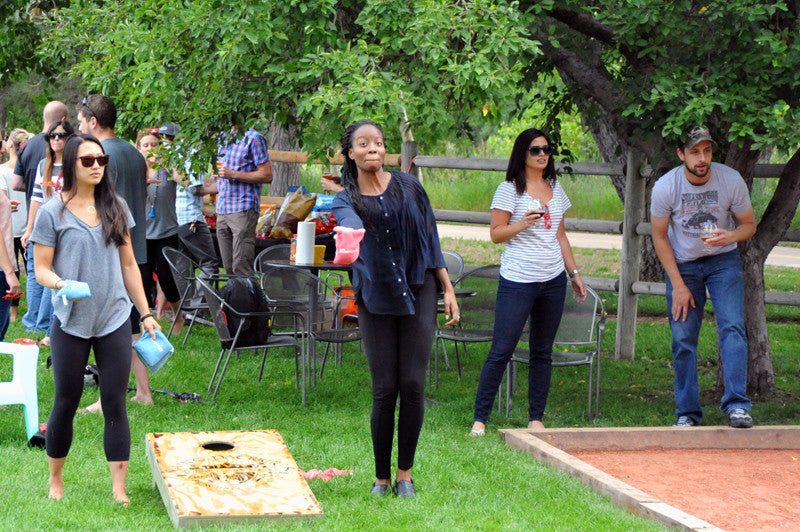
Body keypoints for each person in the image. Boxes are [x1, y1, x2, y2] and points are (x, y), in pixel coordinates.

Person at [331, 120, 459, 498]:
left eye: (379, 143)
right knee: (385, 388)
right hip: (376, 295)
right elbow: (348, 222)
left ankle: (405, 475)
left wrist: (447, 288)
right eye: (364, 143)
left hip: (419, 288)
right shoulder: (345, 198)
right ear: (350, 152)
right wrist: (350, 238)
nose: (374, 148)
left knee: (413, 384)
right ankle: (381, 478)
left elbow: (430, 237)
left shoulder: (410, 187)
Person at [30, 133, 160, 503]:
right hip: (70, 320)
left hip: (114, 318)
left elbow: (129, 264)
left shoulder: (115, 206)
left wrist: (146, 314)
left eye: (101, 160)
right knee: (66, 401)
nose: (96, 166)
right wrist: (61, 283)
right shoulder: (53, 211)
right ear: (71, 164)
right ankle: (56, 480)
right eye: (88, 161)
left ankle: (119, 490)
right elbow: (40, 269)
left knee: (115, 401)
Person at [469, 128, 586, 437]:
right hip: (519, 279)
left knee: (542, 350)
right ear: (523, 153)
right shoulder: (509, 189)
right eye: (535, 150)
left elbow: (560, 235)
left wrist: (573, 274)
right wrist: (521, 224)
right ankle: (480, 420)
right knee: (502, 348)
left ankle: (536, 418)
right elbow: (496, 234)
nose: (542, 154)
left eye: (546, 149)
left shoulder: (554, 187)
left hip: (552, 279)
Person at [650, 125, 756, 429]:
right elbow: (659, 237)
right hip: (683, 264)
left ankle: (737, 406)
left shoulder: (730, 180)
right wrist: (679, 285)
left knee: (733, 328)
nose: (702, 158)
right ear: (681, 154)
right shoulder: (665, 187)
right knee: (683, 338)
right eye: (695, 152)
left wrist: (730, 236)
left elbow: (749, 225)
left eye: (707, 151)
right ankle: (687, 412)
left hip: (723, 261)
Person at [77, 94, 153, 408]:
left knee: (110, 329)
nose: (80, 127)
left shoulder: (101, 155)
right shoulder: (135, 154)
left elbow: (102, 206)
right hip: (139, 252)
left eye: (81, 121)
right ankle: (143, 393)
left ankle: (112, 397)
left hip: (115, 256)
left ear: (93, 122)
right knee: (133, 327)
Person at [20, 120, 76, 346]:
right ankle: (33, 323)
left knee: (51, 274)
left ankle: (44, 326)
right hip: (44, 225)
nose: (56, 140)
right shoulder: (44, 163)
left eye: (61, 135)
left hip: (65, 226)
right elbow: (36, 198)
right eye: (52, 136)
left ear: (70, 138)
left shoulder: (74, 164)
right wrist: (29, 228)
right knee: (35, 273)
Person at [135, 129, 184, 330]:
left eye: (154, 145)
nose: (150, 149)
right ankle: (146, 319)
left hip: (166, 232)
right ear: (139, 149)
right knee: (143, 278)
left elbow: (184, 181)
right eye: (145, 145)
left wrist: (164, 161)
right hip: (142, 234)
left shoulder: (167, 169)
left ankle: (179, 317)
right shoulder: (136, 171)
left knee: (166, 278)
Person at [160, 122, 219, 278]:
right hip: (190, 218)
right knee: (210, 264)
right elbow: (194, 189)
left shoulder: (157, 154)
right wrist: (219, 187)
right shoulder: (189, 153)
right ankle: (200, 301)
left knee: (182, 265)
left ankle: (186, 301)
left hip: (171, 219)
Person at [216, 126, 271, 275]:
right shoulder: (222, 136)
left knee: (241, 266)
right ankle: (234, 298)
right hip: (222, 208)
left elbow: (267, 175)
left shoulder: (254, 138)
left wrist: (233, 174)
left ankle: (251, 297)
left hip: (242, 207)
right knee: (228, 267)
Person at [12, 101, 69, 205]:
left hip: (34, 212)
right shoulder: (66, 147)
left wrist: (33, 187)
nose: (56, 139)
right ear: (63, 119)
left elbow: (16, 184)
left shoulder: (26, 146)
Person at [1, 129, 30, 321]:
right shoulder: (7, 171)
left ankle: (14, 312)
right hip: (17, 228)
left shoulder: (6, 169)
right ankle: (15, 311)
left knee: (21, 268)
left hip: (18, 226)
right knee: (20, 268)